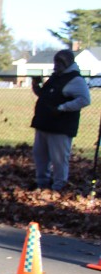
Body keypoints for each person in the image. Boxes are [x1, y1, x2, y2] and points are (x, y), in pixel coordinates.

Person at [30, 49, 91, 192]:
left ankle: (59, 186)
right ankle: (42, 183)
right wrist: (36, 85)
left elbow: (85, 100)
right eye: (55, 62)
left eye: (59, 62)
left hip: (60, 127)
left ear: (68, 63)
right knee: (40, 156)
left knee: (59, 159)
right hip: (44, 124)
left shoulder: (75, 79)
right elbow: (45, 96)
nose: (56, 65)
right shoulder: (56, 77)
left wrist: (63, 108)